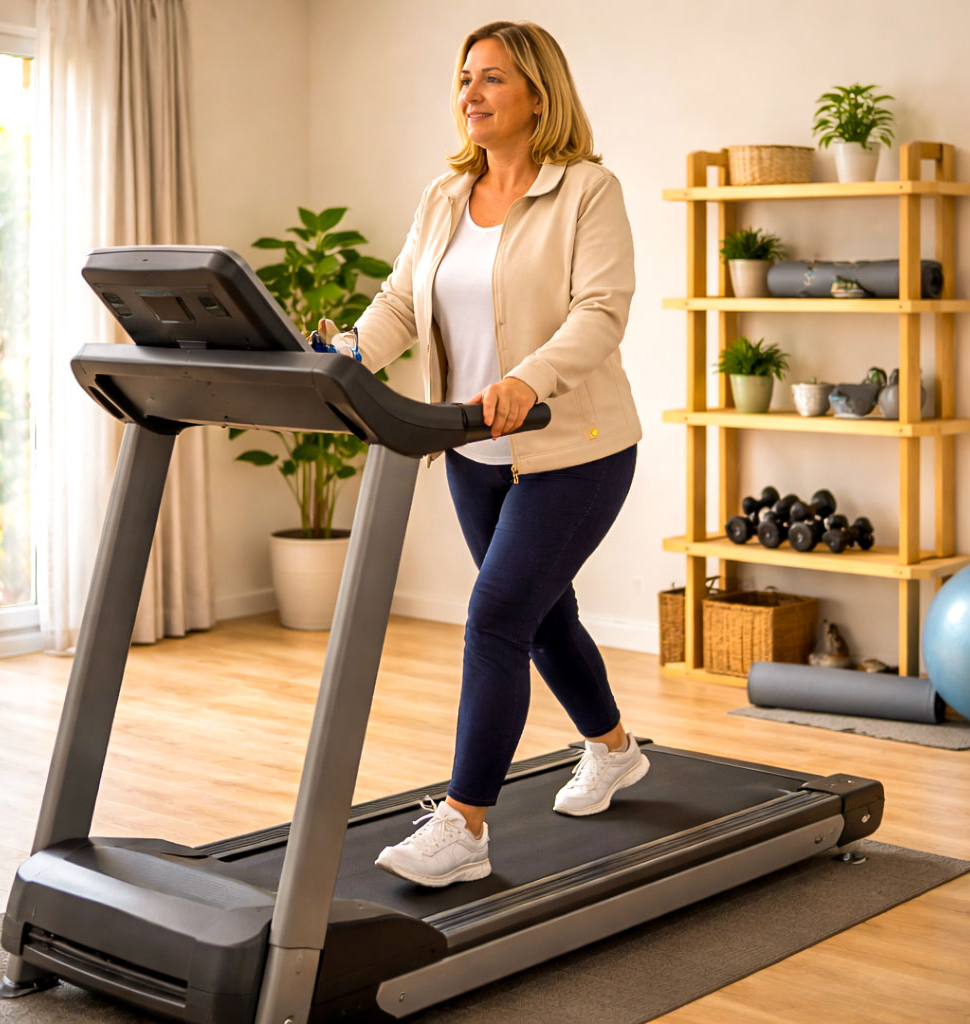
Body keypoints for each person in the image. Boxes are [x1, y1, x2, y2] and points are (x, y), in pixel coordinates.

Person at [320, 20, 644, 888]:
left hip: (574, 447)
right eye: (466, 78)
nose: (470, 93)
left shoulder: (587, 190)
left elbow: (601, 310)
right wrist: (349, 354)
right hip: (471, 451)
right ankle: (613, 749)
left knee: (495, 617)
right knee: (541, 617)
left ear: (538, 92)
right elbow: (399, 301)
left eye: (492, 79)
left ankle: (464, 828)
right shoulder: (443, 196)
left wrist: (531, 378)